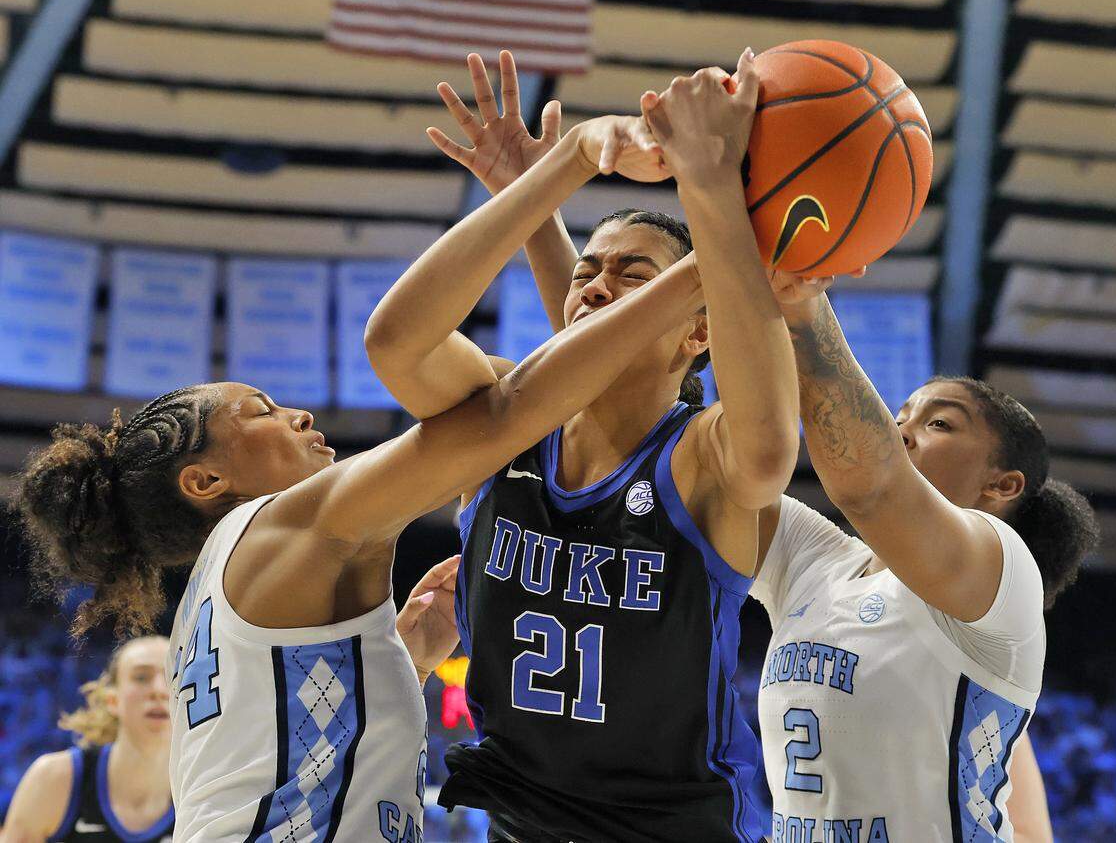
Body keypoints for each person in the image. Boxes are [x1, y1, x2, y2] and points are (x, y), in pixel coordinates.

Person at [11, 117, 707, 842]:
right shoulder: (287, 523)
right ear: (205, 479)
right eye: (262, 411)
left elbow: (285, 760)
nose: (299, 414)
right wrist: (695, 244)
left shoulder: (235, 591)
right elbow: (509, 408)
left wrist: (398, 663)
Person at [367, 50, 800, 843]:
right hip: (517, 824)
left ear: (699, 332)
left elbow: (772, 453)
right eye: (587, 273)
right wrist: (537, 195)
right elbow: (399, 344)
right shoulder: (504, 427)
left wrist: (718, 200)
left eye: (633, 276)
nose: (596, 286)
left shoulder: (700, 455)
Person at [746, 270, 1099, 841]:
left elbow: (868, 481)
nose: (900, 432)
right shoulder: (817, 560)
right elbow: (712, 473)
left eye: (938, 424)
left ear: (1002, 485)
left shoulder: (1001, 567)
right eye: (899, 416)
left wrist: (803, 303)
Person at [0, 636, 174, 843]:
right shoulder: (54, 779)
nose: (159, 690)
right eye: (141, 677)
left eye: (173, 677)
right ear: (112, 700)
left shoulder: (206, 786)